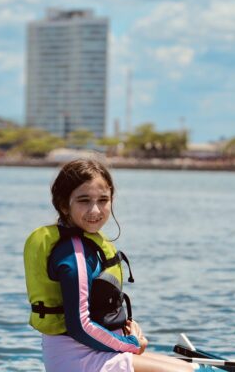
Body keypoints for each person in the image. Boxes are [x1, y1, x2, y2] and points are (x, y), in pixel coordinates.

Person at [24, 159, 192, 372]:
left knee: (190, 368)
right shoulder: (73, 255)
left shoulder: (88, 243)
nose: (95, 210)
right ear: (64, 205)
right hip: (77, 359)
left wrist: (127, 332)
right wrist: (131, 344)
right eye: (84, 200)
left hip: (98, 349)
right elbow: (80, 326)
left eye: (103, 200)